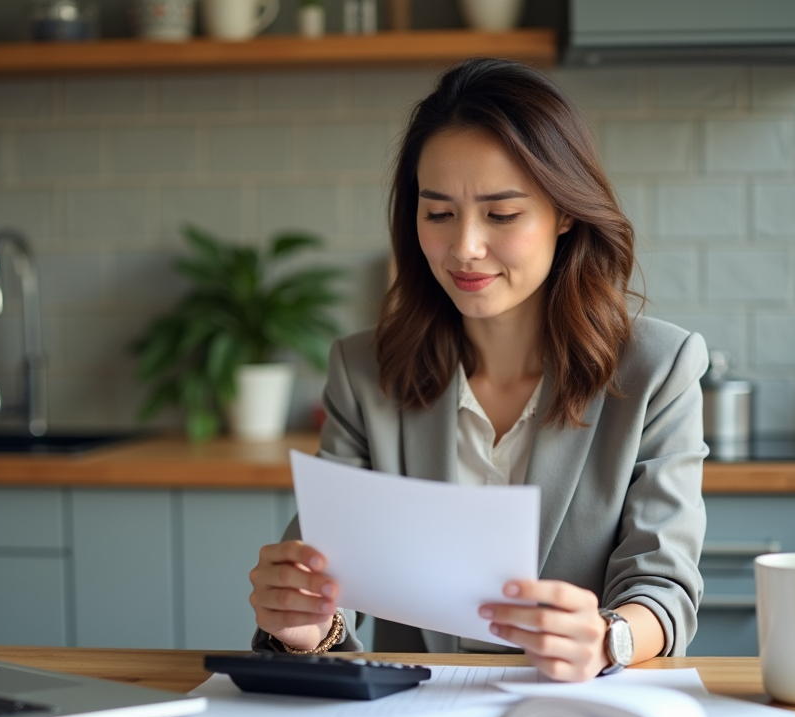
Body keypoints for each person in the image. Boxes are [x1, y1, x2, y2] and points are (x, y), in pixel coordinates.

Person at [248, 58, 708, 682]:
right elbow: (330, 587)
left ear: (565, 212)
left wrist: (609, 638)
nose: (464, 246)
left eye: (501, 214)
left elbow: (665, 586)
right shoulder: (364, 371)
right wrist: (306, 627)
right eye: (438, 214)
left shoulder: (658, 368)